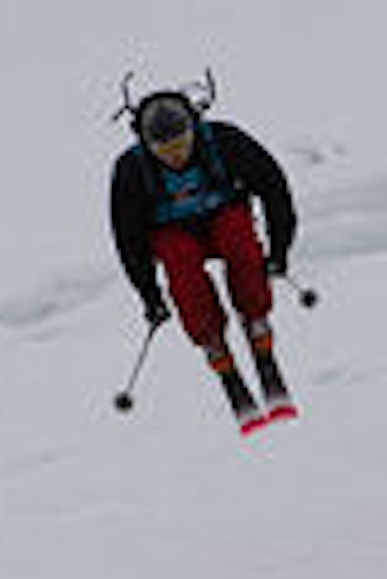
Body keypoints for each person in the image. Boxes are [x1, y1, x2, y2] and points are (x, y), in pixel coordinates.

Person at [110, 88, 298, 428]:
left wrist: (279, 250)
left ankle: (261, 343)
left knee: (241, 247)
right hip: (172, 233)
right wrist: (150, 296)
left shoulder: (226, 142)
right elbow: (129, 241)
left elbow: (274, 188)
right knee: (185, 278)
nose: (176, 157)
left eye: (182, 145)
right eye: (164, 151)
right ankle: (223, 363)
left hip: (223, 213)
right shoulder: (131, 172)